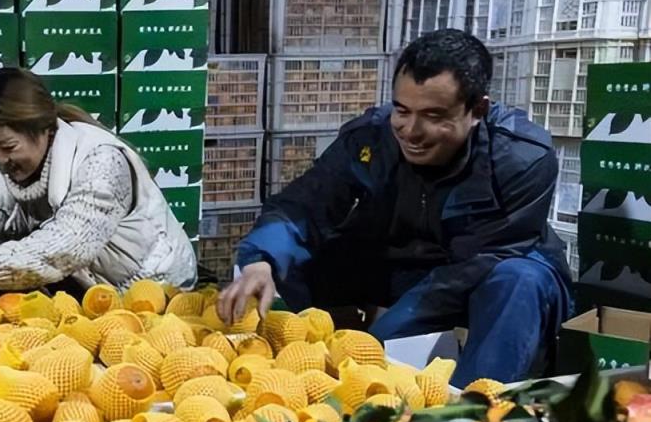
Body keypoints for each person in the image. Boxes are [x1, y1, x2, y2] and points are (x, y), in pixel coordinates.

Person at [218, 29, 574, 387]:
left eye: (434, 116)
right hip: (399, 265)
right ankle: (286, 372)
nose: (411, 131)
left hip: (477, 275)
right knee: (291, 255)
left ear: (477, 110)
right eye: (402, 110)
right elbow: (305, 204)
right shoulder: (371, 139)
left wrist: (382, 339)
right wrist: (261, 259)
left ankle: (473, 413)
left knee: (520, 280)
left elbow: (479, 262)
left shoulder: (521, 158)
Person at [0, 67, 197, 331]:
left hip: (153, 291)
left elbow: (67, 244)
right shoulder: (1, 174)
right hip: (91, 292)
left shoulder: (101, 162)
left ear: (44, 130)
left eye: (8, 147)